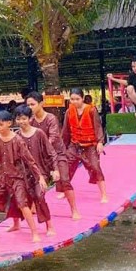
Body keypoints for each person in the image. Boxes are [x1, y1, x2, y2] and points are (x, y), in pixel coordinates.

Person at [0, 111, 47, 242]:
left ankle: (34, 233)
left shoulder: (17, 140)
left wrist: (39, 176)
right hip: (1, 176)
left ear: (9, 123)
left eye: (1, 124)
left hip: (17, 177)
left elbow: (29, 160)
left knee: (23, 204)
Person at [25, 91, 80, 219]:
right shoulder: (30, 120)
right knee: (32, 180)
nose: (30, 108)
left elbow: (53, 137)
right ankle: (33, 206)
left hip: (57, 154)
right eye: (28, 105)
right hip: (40, 156)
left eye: (32, 104)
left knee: (65, 180)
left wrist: (41, 147)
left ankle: (74, 210)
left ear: (41, 104)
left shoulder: (50, 118)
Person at [14, 105, 58, 237]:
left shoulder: (39, 133)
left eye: (24, 118)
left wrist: (55, 169)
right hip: (23, 174)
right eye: (18, 119)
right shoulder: (16, 136)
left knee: (39, 196)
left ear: (29, 118)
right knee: (21, 200)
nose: (21, 122)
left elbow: (50, 152)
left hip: (41, 173)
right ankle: (25, 226)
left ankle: (49, 225)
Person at [63, 88, 109, 204]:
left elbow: (98, 126)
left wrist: (100, 142)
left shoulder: (91, 110)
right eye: (72, 99)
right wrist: (63, 146)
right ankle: (65, 191)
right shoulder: (69, 112)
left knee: (95, 167)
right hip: (75, 144)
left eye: (77, 99)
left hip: (90, 145)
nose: (74, 101)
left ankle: (103, 194)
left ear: (82, 98)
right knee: (66, 167)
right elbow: (66, 130)